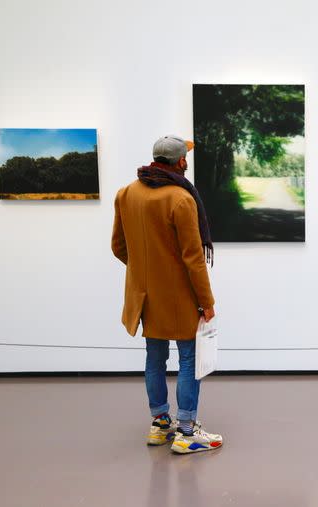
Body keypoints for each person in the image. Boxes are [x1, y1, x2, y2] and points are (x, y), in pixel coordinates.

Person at [111, 134, 222, 454]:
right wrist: (207, 302)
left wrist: (147, 272)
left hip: (144, 295)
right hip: (178, 297)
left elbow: (119, 247)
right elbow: (193, 259)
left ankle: (160, 426)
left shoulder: (126, 193)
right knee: (189, 359)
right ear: (181, 162)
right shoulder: (181, 198)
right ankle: (186, 432)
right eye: (186, 155)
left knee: (154, 358)